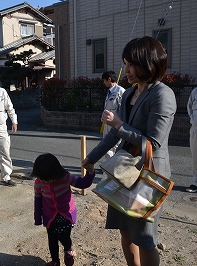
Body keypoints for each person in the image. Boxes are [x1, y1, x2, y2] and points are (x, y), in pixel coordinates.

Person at [82, 36, 176, 266]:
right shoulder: (129, 93)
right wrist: (91, 158)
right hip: (123, 172)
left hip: (147, 174)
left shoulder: (162, 95)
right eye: (126, 63)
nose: (127, 69)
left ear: (150, 64)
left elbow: (153, 143)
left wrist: (119, 125)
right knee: (124, 230)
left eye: (133, 64)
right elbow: (114, 135)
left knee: (145, 238)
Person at [32, 153, 95, 266]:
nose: (45, 181)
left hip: (66, 214)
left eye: (48, 179)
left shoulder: (66, 177)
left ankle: (68, 249)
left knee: (63, 236)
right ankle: (55, 261)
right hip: (49, 215)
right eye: (42, 178)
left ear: (55, 173)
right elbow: (38, 200)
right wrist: (38, 218)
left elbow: (83, 183)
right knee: (52, 240)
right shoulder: (38, 183)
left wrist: (90, 173)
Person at [102, 71, 125, 160]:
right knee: (105, 144)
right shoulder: (109, 92)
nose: (104, 83)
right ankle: (108, 166)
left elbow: (123, 109)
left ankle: (115, 166)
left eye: (104, 80)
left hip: (115, 124)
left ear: (109, 79)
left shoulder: (120, 91)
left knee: (116, 145)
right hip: (107, 124)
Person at [187, 87, 197, 193]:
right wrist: (193, 119)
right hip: (196, 129)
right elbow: (189, 107)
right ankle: (196, 183)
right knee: (195, 157)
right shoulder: (195, 91)